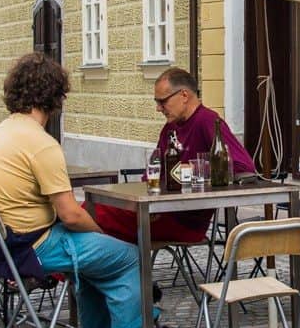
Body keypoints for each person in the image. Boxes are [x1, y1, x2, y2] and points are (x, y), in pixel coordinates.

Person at [0, 53, 168, 328]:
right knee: (129, 256)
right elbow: (71, 215)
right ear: (55, 96)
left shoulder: (2, 131)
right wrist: (103, 232)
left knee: (95, 264)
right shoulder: (40, 143)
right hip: (29, 247)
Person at [94, 67, 255, 244]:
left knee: (90, 213)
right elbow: (152, 171)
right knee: (88, 212)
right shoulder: (170, 128)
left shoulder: (207, 120)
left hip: (184, 221)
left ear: (184, 96)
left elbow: (244, 167)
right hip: (157, 210)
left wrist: (197, 168)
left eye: (162, 102)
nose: (158, 109)